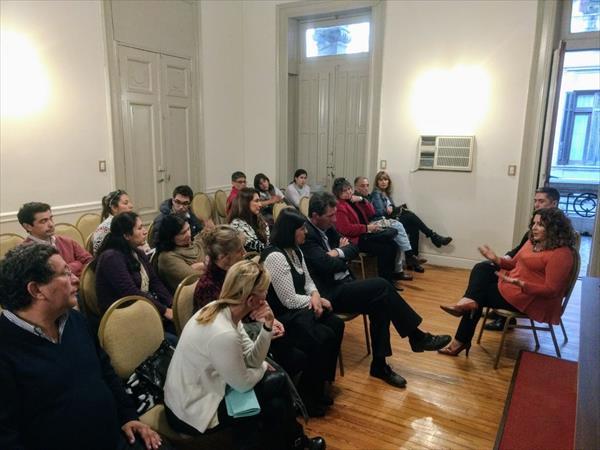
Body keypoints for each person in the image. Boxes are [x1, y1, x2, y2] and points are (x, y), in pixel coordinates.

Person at [0, 244, 168, 450]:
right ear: (36, 290)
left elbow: (106, 372)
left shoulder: (74, 320)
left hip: (118, 436)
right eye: (65, 273)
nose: (76, 279)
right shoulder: (6, 348)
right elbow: (6, 437)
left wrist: (128, 416)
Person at [163, 259, 325, 450]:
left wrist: (267, 327)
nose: (267, 295)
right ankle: (297, 441)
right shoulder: (224, 332)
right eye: (264, 292)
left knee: (275, 403)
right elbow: (243, 383)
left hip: (203, 392)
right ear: (251, 301)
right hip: (190, 410)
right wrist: (263, 367)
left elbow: (251, 358)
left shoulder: (223, 309)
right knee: (277, 382)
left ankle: (295, 442)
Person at [301, 192, 451, 388]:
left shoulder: (327, 228)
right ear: (315, 215)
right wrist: (341, 255)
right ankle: (416, 337)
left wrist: (336, 253)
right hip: (328, 294)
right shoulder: (307, 236)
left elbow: (353, 248)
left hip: (344, 284)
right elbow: (327, 265)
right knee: (381, 285)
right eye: (330, 215)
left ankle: (379, 365)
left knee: (380, 302)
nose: (335, 219)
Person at [438, 207, 576, 356]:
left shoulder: (561, 254)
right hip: (514, 285)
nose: (534, 228)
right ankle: (467, 303)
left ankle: (460, 338)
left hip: (532, 298)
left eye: (540, 225)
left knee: (479, 296)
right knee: (482, 268)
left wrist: (523, 285)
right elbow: (514, 264)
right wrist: (496, 259)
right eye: (534, 223)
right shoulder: (532, 242)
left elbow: (552, 290)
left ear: (554, 228)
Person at [193, 225, 308, 395]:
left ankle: (293, 397)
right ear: (224, 257)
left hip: (244, 332)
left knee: (297, 348)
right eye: (239, 250)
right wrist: (262, 327)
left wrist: (268, 320)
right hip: (225, 350)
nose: (245, 253)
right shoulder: (208, 287)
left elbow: (254, 306)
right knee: (290, 359)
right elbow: (227, 325)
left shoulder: (235, 273)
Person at [261, 209, 344, 416]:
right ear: (290, 231)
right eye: (301, 229)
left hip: (301, 310)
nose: (305, 232)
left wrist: (315, 295)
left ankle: (321, 384)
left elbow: (308, 281)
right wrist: (315, 301)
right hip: (284, 317)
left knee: (337, 324)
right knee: (323, 336)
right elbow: (288, 300)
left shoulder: (295, 250)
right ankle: (307, 395)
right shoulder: (275, 256)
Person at [484, 187, 561, 331]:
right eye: (535, 201)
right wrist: (503, 258)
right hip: (520, 268)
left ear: (554, 204)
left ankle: (488, 305)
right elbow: (520, 249)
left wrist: (510, 264)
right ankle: (490, 305)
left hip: (532, 280)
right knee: (485, 268)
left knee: (483, 287)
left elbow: (551, 283)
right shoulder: (534, 229)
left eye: (541, 201)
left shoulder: (559, 232)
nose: (536, 205)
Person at [93, 212, 175, 338]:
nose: (145, 231)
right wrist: (164, 311)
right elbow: (131, 293)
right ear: (126, 235)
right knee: (174, 339)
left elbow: (154, 281)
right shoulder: (111, 258)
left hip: (144, 309)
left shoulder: (136, 252)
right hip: (123, 319)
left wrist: (171, 304)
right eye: (140, 228)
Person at [331, 177, 410, 285]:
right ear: (338, 194)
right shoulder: (340, 207)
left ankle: (390, 277)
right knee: (386, 248)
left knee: (393, 244)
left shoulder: (354, 200)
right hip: (356, 239)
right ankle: (385, 281)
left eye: (349, 189)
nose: (348, 192)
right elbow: (346, 229)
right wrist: (367, 228)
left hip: (366, 233)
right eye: (344, 191)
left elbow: (372, 213)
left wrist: (362, 200)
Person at [371, 171, 452, 264]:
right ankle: (434, 237)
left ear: (388, 182)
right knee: (410, 216)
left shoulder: (386, 194)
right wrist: (389, 209)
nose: (383, 182)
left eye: (385, 179)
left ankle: (414, 259)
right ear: (377, 182)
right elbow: (379, 212)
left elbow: (390, 209)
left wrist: (392, 207)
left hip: (390, 220)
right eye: (380, 180)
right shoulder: (376, 194)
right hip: (384, 222)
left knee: (414, 227)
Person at [354, 176, 427, 273]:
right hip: (371, 225)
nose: (366, 188)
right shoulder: (372, 195)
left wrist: (390, 206)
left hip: (379, 220)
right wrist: (387, 210)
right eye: (362, 186)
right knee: (401, 225)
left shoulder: (371, 196)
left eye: (367, 185)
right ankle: (410, 256)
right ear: (355, 187)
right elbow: (376, 214)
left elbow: (372, 211)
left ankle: (405, 264)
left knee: (411, 227)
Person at [18, 202, 92, 278]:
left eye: (51, 218)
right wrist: (77, 265)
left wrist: (66, 270)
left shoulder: (67, 242)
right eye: (43, 221)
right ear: (28, 226)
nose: (51, 224)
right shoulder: (24, 254)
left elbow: (90, 262)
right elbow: (47, 279)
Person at [155, 214, 205, 292]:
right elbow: (194, 279)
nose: (188, 234)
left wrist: (201, 266)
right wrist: (205, 265)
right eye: (183, 233)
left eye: (188, 229)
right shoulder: (167, 257)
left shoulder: (195, 243)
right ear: (171, 237)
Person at [229, 187, 270, 253]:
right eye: (256, 201)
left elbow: (268, 242)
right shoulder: (237, 224)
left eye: (259, 201)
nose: (260, 204)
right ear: (246, 203)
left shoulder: (258, 218)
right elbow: (258, 249)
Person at [93, 189, 135, 254]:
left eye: (130, 202)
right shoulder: (105, 228)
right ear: (114, 208)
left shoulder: (129, 222)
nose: (131, 206)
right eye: (125, 203)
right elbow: (99, 254)